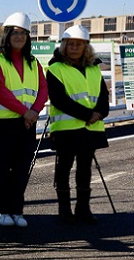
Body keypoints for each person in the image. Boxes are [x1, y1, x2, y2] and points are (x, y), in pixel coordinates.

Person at [0, 12, 48, 227]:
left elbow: (43, 89)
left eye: (24, 33)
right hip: (2, 123)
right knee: (2, 167)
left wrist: (35, 112)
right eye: (15, 32)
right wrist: (26, 112)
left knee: (22, 168)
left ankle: (16, 210)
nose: (19, 36)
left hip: (27, 123)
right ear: (7, 34)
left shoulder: (33, 62)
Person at [46, 25, 109, 225]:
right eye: (70, 44)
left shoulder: (94, 68)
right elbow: (59, 99)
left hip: (90, 129)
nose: (74, 47)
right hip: (66, 130)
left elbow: (103, 97)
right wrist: (87, 114)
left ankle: (83, 209)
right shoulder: (55, 68)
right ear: (64, 45)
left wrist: (100, 113)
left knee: (85, 169)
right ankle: (64, 210)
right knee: (63, 168)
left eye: (79, 44)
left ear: (86, 47)